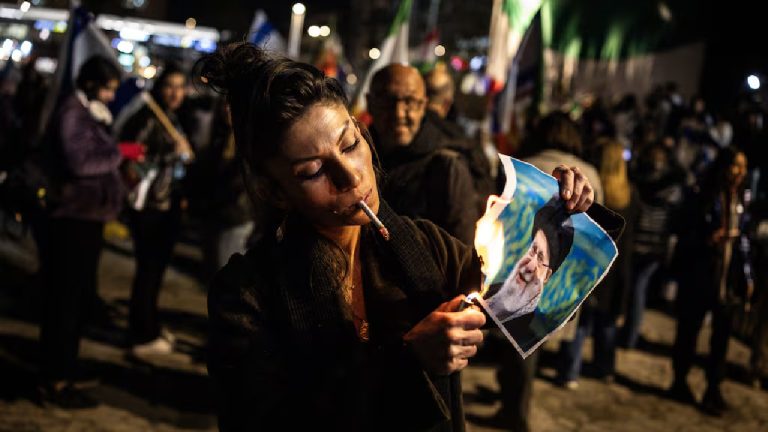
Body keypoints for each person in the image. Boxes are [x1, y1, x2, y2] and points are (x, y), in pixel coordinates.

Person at [198, 42, 596, 431]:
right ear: (274, 190)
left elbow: (534, 306)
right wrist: (406, 362)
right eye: (312, 171)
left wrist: (557, 220)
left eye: (350, 144)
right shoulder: (246, 294)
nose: (350, 175)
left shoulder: (426, 245)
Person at [37, 55, 124, 408]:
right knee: (65, 302)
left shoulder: (88, 111)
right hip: (71, 220)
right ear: (90, 84)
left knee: (76, 301)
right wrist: (119, 153)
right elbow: (80, 162)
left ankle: (66, 369)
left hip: (87, 219)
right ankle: (56, 379)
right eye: (107, 88)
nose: (110, 96)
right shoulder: (72, 112)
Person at [669, 147, 753, 415]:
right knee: (689, 329)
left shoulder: (743, 199)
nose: (739, 172)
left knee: (721, 337)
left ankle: (713, 388)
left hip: (727, 278)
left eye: (743, 166)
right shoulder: (703, 196)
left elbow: (745, 241)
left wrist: (747, 276)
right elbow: (683, 230)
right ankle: (680, 379)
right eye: (735, 165)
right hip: (701, 273)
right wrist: (707, 239)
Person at [119, 63, 194, 356]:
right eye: (169, 86)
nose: (176, 93)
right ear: (159, 88)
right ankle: (141, 334)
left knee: (157, 270)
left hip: (168, 203)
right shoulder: (147, 117)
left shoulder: (172, 117)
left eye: (180, 86)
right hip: (150, 206)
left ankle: (149, 324)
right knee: (148, 270)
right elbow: (126, 150)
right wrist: (168, 154)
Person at [366, 64, 479, 244]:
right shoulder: (353, 160)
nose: (399, 113)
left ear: (423, 106)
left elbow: (460, 257)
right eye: (388, 100)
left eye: (409, 101)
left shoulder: (447, 167)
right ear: (370, 103)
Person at [557, 138, 638, 388]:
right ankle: (606, 366)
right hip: (615, 265)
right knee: (607, 321)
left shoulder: (591, 190)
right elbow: (630, 238)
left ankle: (570, 371)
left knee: (581, 321)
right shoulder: (630, 195)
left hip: (588, 262)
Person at [485, 197, 575, 324]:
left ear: (547, 276)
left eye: (540, 259)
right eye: (533, 250)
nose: (530, 265)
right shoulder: (492, 289)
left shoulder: (536, 320)